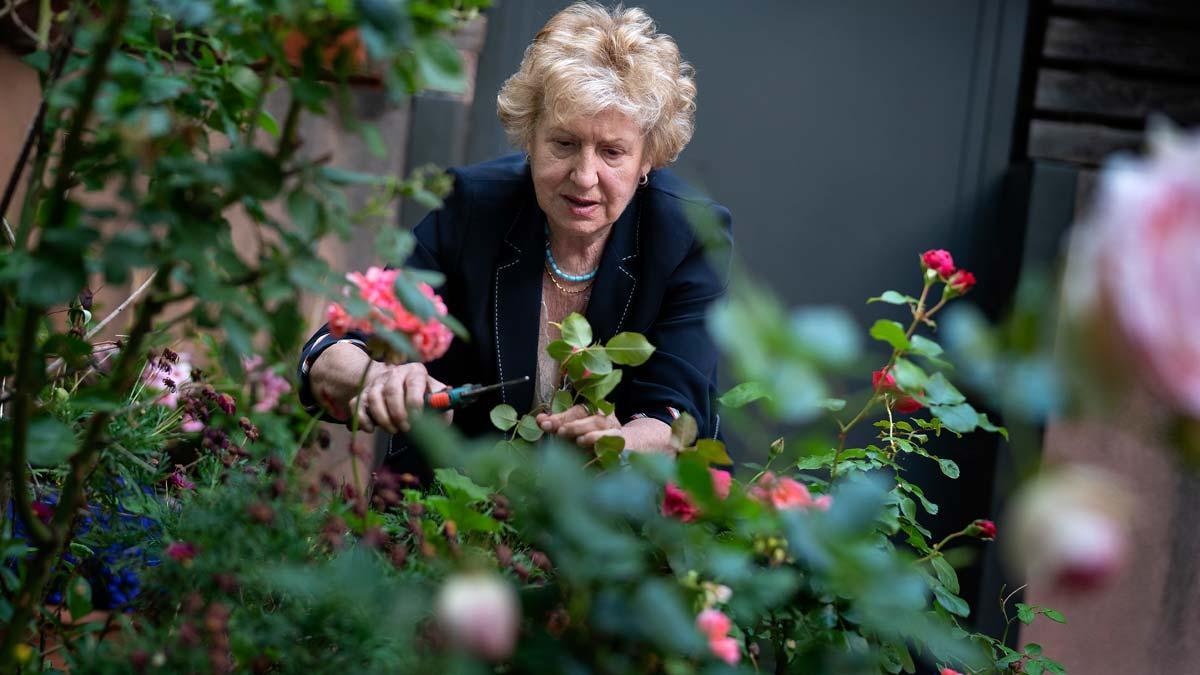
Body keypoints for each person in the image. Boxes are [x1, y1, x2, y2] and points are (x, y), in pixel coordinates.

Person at [298, 3, 731, 472]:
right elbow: (323, 354)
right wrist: (377, 378)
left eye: (612, 152)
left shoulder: (687, 235)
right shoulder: (472, 208)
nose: (585, 176)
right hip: (454, 505)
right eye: (563, 144)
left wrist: (620, 444)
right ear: (530, 136)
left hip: (610, 518)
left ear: (648, 158)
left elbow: (678, 414)